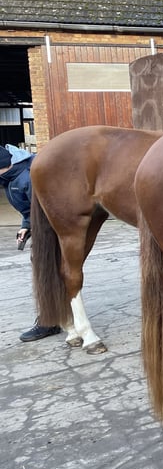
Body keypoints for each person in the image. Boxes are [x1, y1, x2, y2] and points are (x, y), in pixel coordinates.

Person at [0, 144, 61, 342]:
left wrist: (34, 225)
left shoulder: (26, 177)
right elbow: (30, 210)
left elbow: (42, 208)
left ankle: (50, 319)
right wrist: (26, 225)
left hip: (50, 226)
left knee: (45, 266)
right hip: (40, 224)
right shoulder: (10, 178)